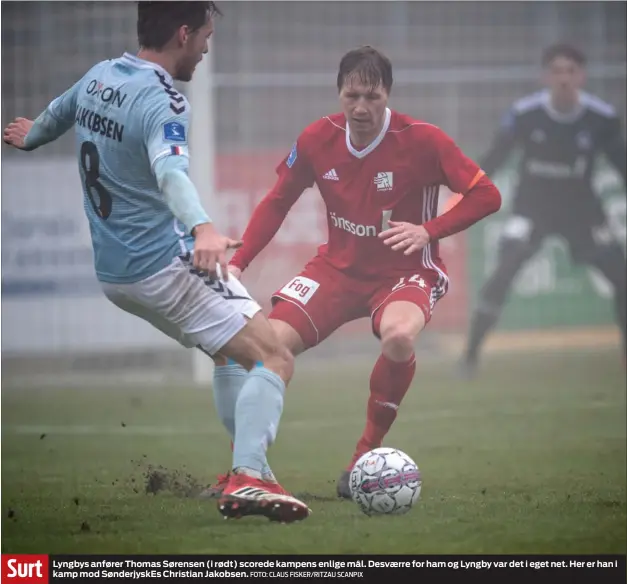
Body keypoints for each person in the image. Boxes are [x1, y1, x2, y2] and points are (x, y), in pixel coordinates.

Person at [3, 1, 310, 523]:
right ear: (183, 34)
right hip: (161, 265)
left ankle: (246, 468)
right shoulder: (164, 100)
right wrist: (203, 228)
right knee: (274, 355)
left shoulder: (101, 76)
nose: (208, 48)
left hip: (115, 275)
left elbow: (58, 112)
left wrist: (31, 137)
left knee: (228, 354)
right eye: (206, 37)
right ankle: (250, 479)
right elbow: (171, 174)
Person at [207, 45, 502, 499]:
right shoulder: (315, 140)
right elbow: (277, 202)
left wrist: (428, 230)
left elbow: (487, 195)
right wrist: (240, 261)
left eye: (372, 96)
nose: (361, 107)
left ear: (388, 95)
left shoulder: (424, 141)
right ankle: (246, 469)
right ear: (338, 94)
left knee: (399, 336)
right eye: (351, 96)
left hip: (405, 272)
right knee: (260, 349)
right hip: (336, 271)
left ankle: (365, 454)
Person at [460, 43, 627, 378]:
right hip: (532, 210)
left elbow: (621, 163)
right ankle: (470, 358)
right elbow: (495, 156)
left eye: (570, 71)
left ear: (582, 76)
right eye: (557, 71)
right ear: (545, 77)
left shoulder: (601, 118)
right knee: (503, 271)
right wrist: (463, 189)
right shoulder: (525, 115)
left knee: (621, 277)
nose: (563, 79)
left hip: (583, 213)